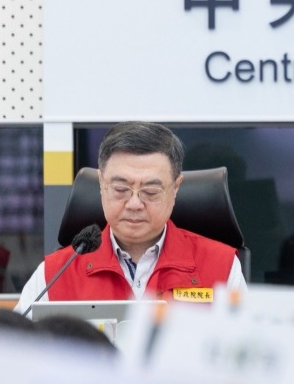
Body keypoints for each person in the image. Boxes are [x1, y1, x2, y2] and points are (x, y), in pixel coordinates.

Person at [14, 122, 246, 314]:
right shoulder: (55, 274)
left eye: (150, 191)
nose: (134, 204)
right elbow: (17, 348)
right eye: (121, 189)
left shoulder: (221, 267)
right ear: (102, 185)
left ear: (175, 188)